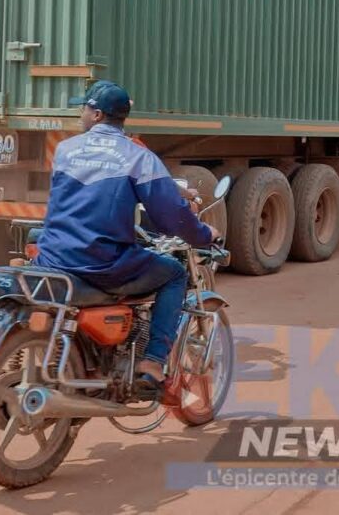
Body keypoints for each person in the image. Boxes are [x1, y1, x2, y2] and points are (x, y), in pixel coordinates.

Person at [35, 81, 217, 396]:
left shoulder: (65, 150)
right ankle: (152, 363)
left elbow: (88, 196)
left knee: (36, 234)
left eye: (84, 109)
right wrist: (204, 234)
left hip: (54, 256)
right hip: (103, 263)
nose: (82, 114)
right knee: (174, 274)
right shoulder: (137, 156)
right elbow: (171, 217)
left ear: (96, 114)